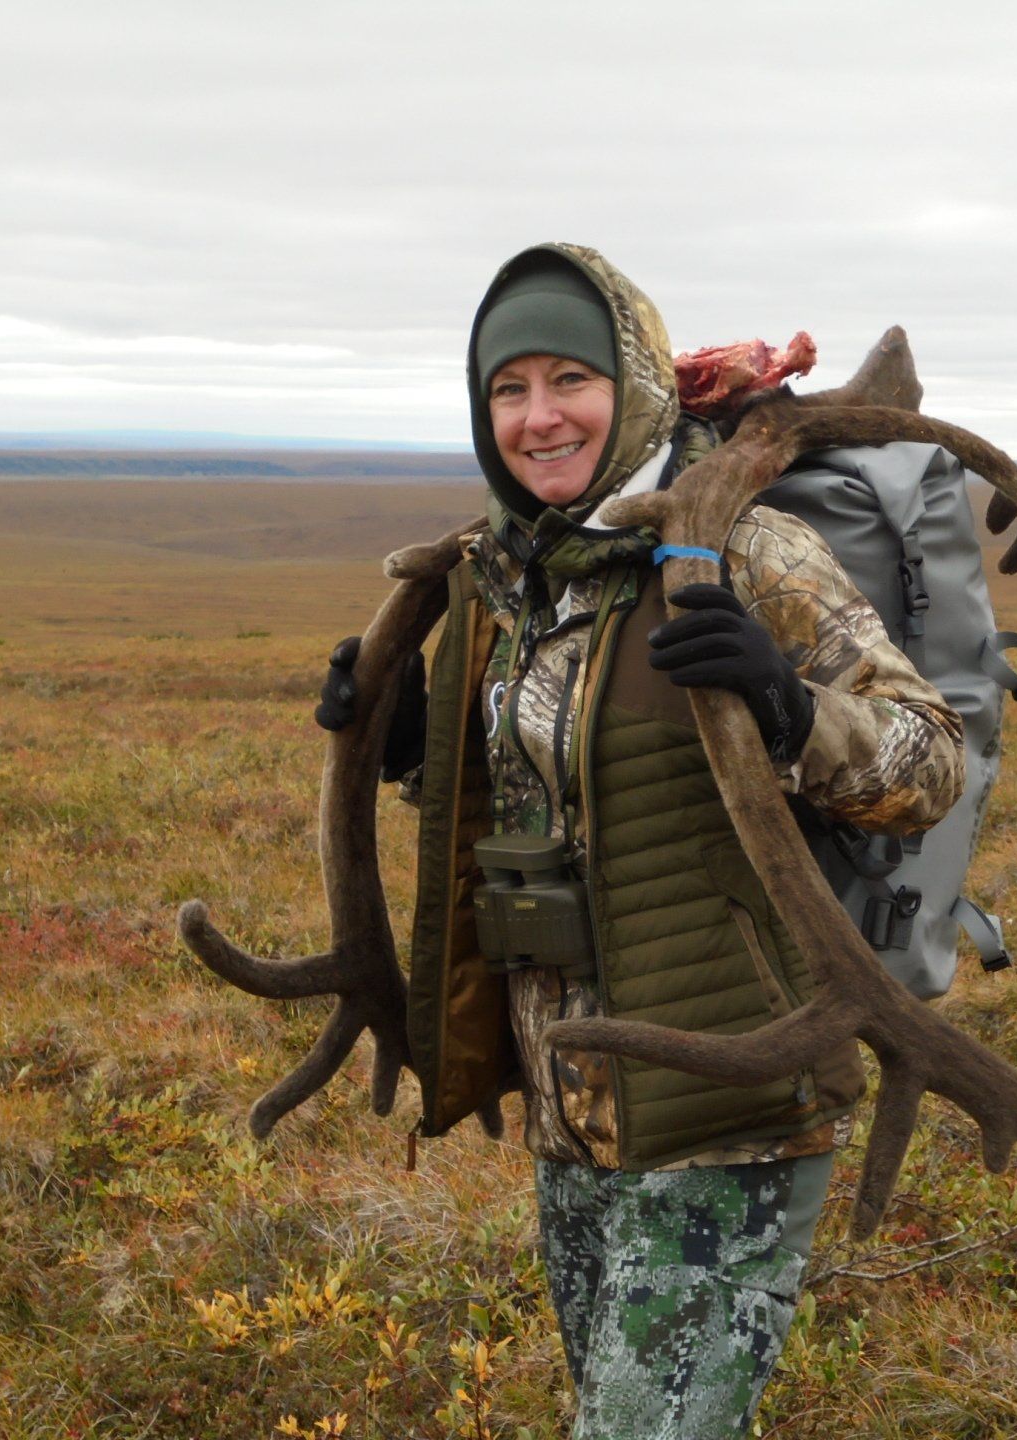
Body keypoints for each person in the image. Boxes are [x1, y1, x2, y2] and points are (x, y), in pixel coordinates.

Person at [318, 242, 965, 1435]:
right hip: (575, 1121)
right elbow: (563, 801)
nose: (538, 415)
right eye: (508, 390)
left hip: (730, 1106)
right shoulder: (500, 582)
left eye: (569, 378)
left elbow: (928, 765)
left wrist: (790, 706)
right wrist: (417, 746)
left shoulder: (747, 554)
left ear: (635, 387)